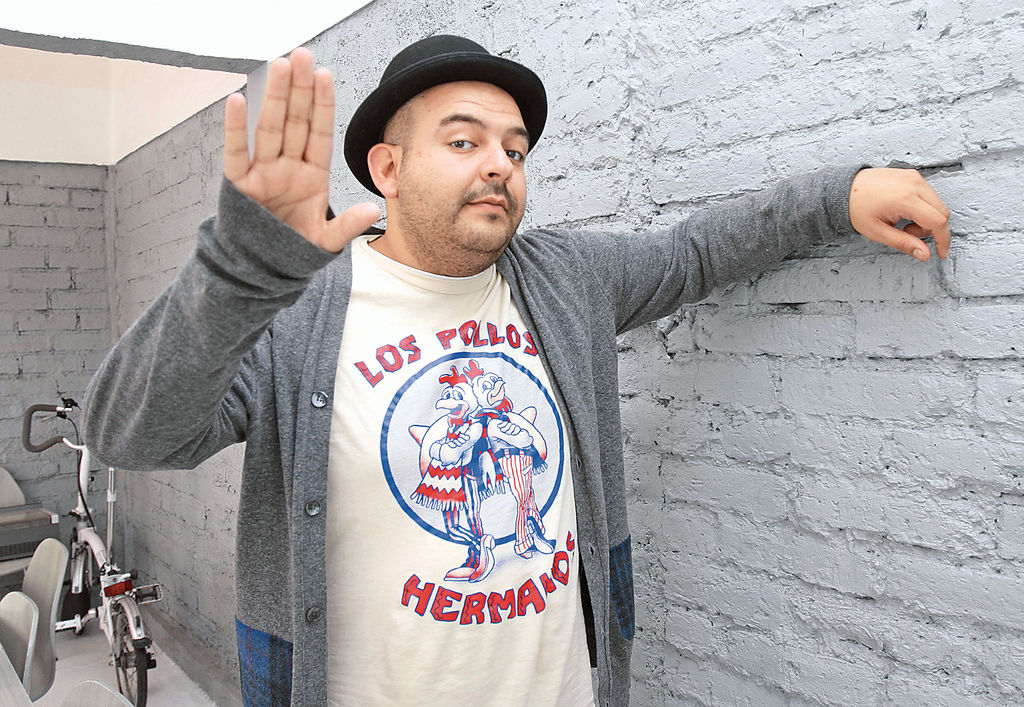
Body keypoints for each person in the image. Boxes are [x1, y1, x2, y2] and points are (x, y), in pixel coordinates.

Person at [82, 35, 951, 707]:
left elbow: (692, 254)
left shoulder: (563, 279)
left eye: (516, 148)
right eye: (464, 140)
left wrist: (836, 199)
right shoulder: (295, 314)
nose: (500, 162)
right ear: (388, 167)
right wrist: (237, 276)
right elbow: (128, 434)